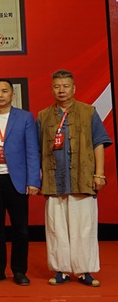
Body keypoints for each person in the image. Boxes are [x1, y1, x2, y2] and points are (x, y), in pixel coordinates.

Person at [37, 70, 112, 287]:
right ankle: (61, 270)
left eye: (65, 86)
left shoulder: (89, 112)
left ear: (74, 88)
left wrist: (99, 174)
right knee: (56, 228)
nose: (61, 90)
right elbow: (38, 149)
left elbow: (98, 143)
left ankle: (84, 271)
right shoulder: (43, 116)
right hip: (54, 179)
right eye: (57, 86)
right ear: (52, 89)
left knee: (84, 228)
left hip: (82, 178)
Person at [0, 80, 40, 286]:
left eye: (4, 91)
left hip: (16, 180)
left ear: (13, 94)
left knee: (20, 228)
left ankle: (19, 271)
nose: (0, 95)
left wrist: (33, 180)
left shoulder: (25, 117)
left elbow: (32, 150)